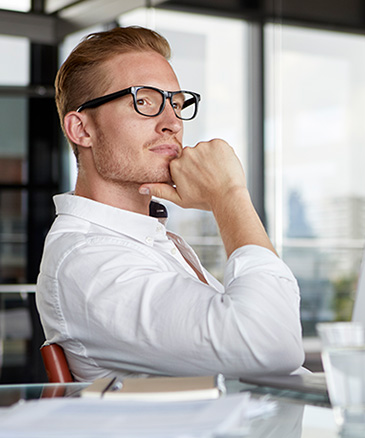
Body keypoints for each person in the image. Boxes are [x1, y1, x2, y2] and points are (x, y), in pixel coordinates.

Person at [36, 26, 304, 381]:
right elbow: (270, 344)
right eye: (144, 101)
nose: (173, 123)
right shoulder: (89, 261)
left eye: (176, 103)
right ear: (82, 130)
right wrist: (228, 196)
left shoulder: (145, 240)